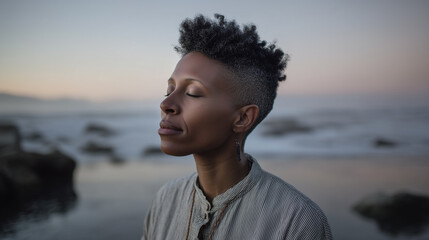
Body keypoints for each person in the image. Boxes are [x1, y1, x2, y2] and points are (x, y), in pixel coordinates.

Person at [142, 14, 332, 240]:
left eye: (192, 92)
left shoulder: (296, 221)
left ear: (243, 118)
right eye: (169, 90)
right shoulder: (166, 199)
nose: (166, 104)